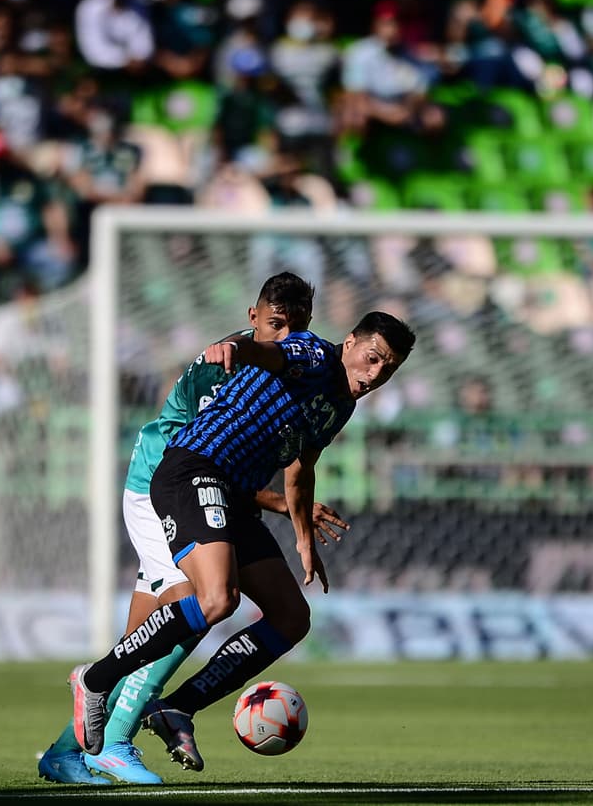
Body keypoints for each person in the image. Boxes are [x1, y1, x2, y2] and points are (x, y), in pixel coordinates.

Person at [38, 273, 349, 785]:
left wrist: (291, 509)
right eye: (274, 324)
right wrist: (275, 504)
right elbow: (205, 460)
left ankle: (66, 751)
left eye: (295, 326)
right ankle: (114, 741)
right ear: (253, 318)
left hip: (206, 494)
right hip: (161, 484)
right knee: (201, 598)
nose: (285, 335)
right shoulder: (226, 366)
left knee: (148, 635)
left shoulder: (296, 374)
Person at [69, 311, 415, 769]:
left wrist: (303, 538)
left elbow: (301, 469)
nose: (374, 376)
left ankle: (177, 707)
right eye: (372, 359)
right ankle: (95, 679)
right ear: (349, 343)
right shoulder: (312, 354)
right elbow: (266, 352)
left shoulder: (341, 405)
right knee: (215, 600)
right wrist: (235, 349)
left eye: (387, 370)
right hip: (194, 469)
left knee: (292, 618)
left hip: (231, 494)